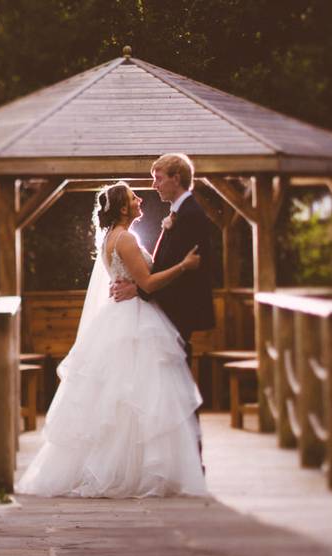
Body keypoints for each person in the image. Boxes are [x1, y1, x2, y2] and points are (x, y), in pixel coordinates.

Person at [16, 182, 207, 498]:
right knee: (136, 396)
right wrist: (184, 266)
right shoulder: (127, 239)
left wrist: (136, 286)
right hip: (132, 321)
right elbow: (148, 281)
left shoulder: (111, 238)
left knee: (122, 399)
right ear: (122, 208)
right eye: (134, 197)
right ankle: (128, 472)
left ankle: (125, 468)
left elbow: (136, 281)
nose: (139, 200)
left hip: (123, 315)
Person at [110, 153, 216, 459]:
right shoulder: (177, 214)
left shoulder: (192, 215)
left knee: (179, 389)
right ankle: (182, 459)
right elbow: (164, 268)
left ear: (176, 178)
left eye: (158, 177)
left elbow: (188, 276)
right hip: (167, 311)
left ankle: (190, 461)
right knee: (171, 389)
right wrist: (139, 287)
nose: (153, 184)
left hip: (180, 312)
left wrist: (139, 290)